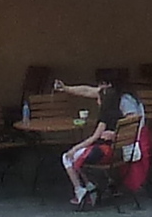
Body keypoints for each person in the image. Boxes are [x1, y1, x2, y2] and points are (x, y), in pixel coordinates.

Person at [59, 79, 146, 208]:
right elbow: (87, 90)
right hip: (116, 153)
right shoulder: (119, 115)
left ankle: (80, 191)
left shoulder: (105, 117)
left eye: (98, 99)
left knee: (68, 157)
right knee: (77, 158)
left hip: (104, 153)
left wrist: (75, 148)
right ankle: (89, 187)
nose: (96, 101)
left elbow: (94, 138)